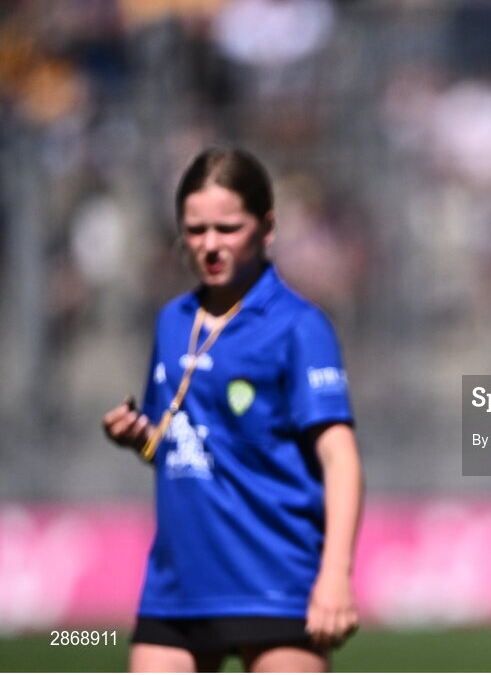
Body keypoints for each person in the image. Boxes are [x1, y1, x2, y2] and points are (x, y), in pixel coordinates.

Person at [101, 147, 362, 673]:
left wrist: (335, 575)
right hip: (178, 585)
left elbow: (341, 459)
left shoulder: (298, 325)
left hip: (275, 581)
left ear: (266, 227)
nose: (211, 245)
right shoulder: (172, 321)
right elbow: (180, 446)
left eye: (228, 227)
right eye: (196, 230)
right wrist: (139, 436)